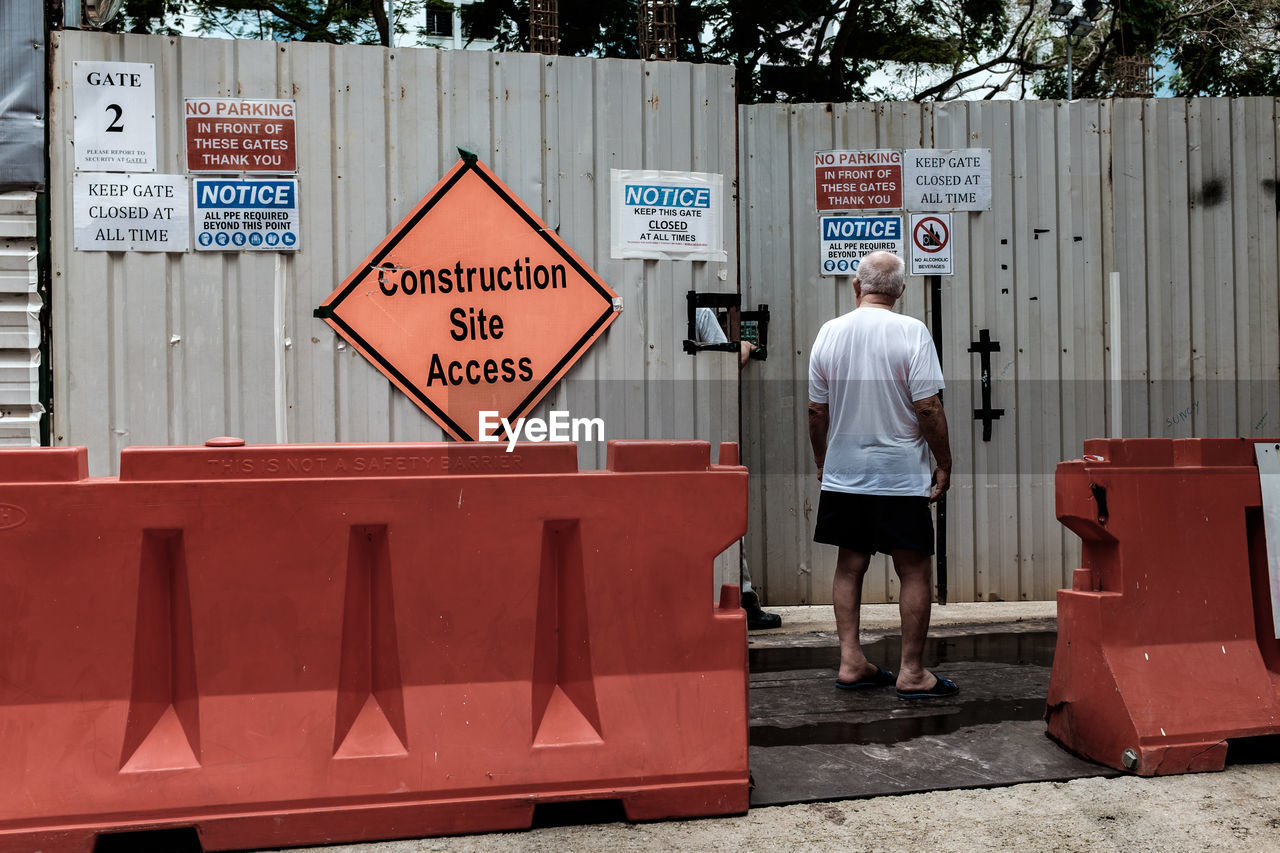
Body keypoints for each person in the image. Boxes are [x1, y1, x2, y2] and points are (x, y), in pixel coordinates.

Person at [806, 251, 955, 697]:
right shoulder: (912, 331)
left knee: (849, 566)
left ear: (857, 286)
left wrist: (821, 461)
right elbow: (927, 406)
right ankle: (912, 673)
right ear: (901, 291)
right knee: (912, 569)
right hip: (898, 475)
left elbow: (816, 410)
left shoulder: (829, 333)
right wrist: (944, 462)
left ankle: (851, 661)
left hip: (846, 473)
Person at [695, 307, 781, 629]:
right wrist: (744, 346)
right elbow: (725, 362)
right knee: (724, 508)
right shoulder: (701, 312)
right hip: (701, 429)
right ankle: (743, 597)